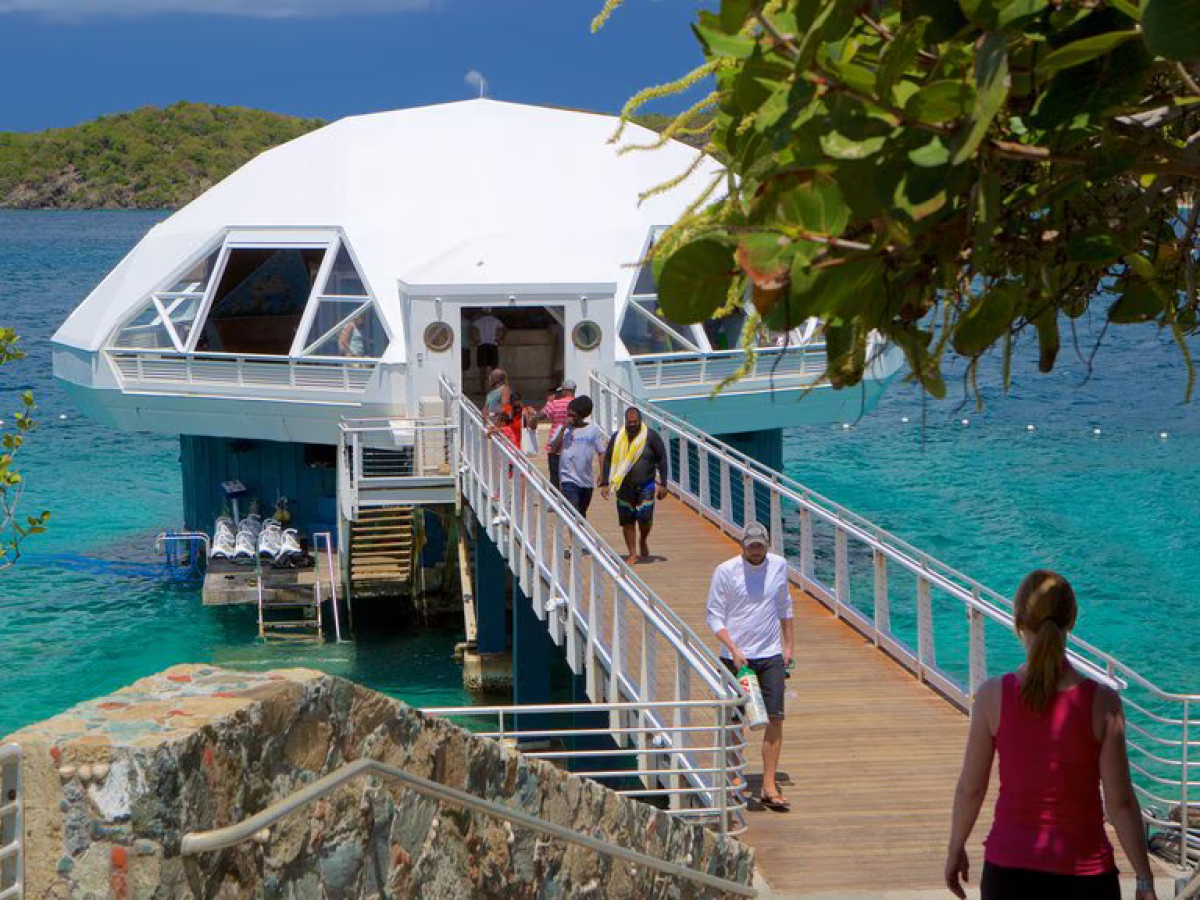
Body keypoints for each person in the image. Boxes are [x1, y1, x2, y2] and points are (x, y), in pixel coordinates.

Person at [944, 570, 1158, 900]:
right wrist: (1144, 880)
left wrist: (955, 848)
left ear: (1018, 622)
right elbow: (1120, 802)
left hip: (1008, 874)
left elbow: (971, 788)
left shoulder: (991, 697)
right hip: (1085, 877)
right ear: (1071, 621)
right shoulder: (1103, 702)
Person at [705, 522, 794, 812]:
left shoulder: (779, 566)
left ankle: (769, 785)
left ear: (767, 544)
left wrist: (788, 646)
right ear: (742, 545)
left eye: (760, 545)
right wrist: (733, 649)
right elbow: (714, 617)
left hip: (770, 655)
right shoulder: (725, 571)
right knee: (733, 721)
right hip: (735, 657)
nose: (756, 550)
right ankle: (732, 780)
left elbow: (785, 607)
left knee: (775, 718)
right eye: (751, 544)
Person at [600, 406, 669, 563]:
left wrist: (664, 484)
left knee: (645, 518)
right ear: (625, 421)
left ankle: (643, 539)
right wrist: (605, 482)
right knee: (627, 520)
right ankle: (632, 554)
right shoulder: (617, 437)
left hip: (646, 485)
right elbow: (608, 458)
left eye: (634, 422)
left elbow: (662, 459)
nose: (632, 424)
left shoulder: (651, 437)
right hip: (623, 485)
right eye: (629, 422)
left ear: (640, 421)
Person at [551, 395, 606, 516]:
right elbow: (553, 449)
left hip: (586, 480)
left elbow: (601, 453)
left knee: (581, 514)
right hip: (568, 479)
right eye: (568, 415)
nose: (569, 418)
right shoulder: (563, 429)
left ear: (581, 415)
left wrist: (603, 474)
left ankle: (581, 535)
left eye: (573, 415)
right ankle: (576, 535)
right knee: (573, 514)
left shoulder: (593, 430)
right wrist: (562, 430)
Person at [536, 379, 576, 489]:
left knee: (554, 477)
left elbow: (541, 415)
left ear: (564, 391)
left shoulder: (555, 403)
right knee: (571, 476)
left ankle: (554, 502)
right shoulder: (577, 403)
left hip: (555, 445)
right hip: (573, 444)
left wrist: (548, 402)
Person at [470, 308, 506, 393]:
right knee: (494, 369)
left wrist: (475, 341)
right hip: (493, 345)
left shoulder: (479, 320)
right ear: (491, 312)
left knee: (482, 369)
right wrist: (500, 339)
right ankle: (496, 389)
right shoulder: (496, 320)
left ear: (482, 312)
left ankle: (482, 389)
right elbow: (505, 329)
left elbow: (471, 329)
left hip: (482, 345)